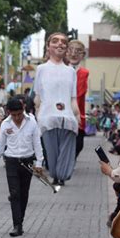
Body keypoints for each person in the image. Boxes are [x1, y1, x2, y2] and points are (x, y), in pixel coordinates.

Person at [0, 98, 44, 237]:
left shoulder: (31, 122)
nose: (17, 118)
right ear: (9, 113)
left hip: (27, 162)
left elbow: (37, 144)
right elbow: (0, 145)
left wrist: (39, 163)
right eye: (14, 115)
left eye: (19, 114)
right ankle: (17, 225)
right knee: (14, 194)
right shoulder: (5, 124)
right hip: (12, 162)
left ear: (23, 111)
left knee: (23, 194)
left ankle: (20, 220)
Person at [34, 32, 80, 186]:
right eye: (55, 41)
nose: (60, 44)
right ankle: (55, 175)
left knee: (67, 151)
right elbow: (38, 96)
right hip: (47, 117)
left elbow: (73, 98)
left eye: (63, 42)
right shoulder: (41, 69)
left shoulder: (71, 71)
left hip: (67, 117)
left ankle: (62, 175)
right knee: (51, 151)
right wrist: (37, 114)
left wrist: (77, 115)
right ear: (48, 46)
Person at [66, 40, 89, 159]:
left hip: (77, 113)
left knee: (79, 144)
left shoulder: (84, 73)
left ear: (83, 55)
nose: (74, 54)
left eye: (78, 51)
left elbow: (79, 93)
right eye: (70, 50)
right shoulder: (61, 70)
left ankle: (70, 160)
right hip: (61, 113)